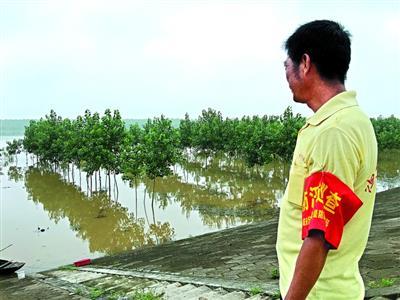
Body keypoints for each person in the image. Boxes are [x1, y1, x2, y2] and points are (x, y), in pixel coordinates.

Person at [276, 20, 378, 300]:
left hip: (318, 293)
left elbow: (319, 236)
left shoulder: (333, 132)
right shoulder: (354, 119)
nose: (285, 74)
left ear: (305, 63)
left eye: (287, 66)